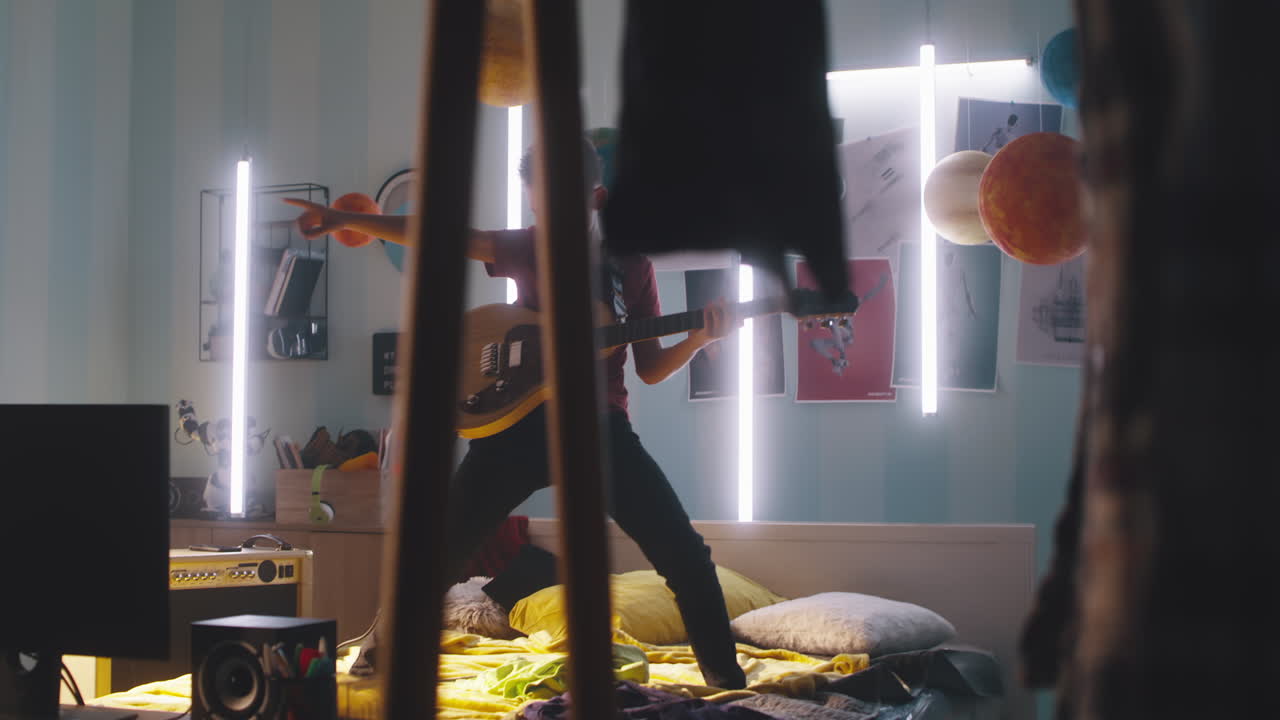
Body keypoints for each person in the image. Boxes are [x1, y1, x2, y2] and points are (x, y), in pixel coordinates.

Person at [283, 136, 749, 690]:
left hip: (599, 431)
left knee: (686, 556)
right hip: (515, 425)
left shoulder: (630, 264)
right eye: (540, 202)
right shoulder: (530, 246)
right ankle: (379, 651)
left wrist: (697, 338)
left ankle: (726, 681)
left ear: (595, 196)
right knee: (436, 551)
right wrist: (340, 218)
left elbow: (648, 368)